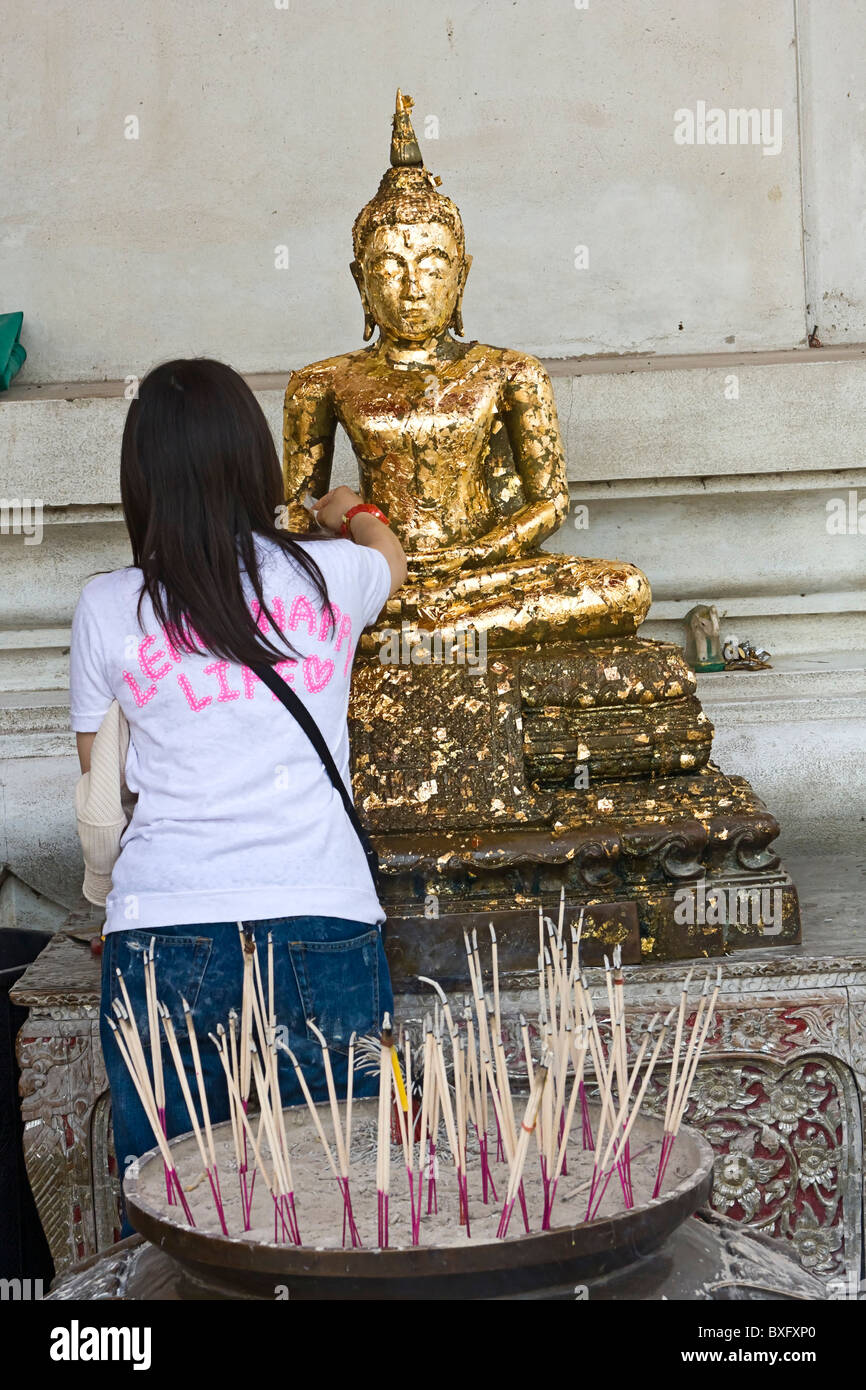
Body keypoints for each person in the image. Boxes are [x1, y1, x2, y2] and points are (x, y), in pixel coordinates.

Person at [69, 357, 406, 1212]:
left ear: (140, 478)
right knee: (343, 1197)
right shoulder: (329, 574)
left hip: (166, 928)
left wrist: (105, 894)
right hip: (321, 914)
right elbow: (392, 561)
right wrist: (350, 509)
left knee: (179, 1199)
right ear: (255, 462)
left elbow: (101, 804)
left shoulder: (109, 607)